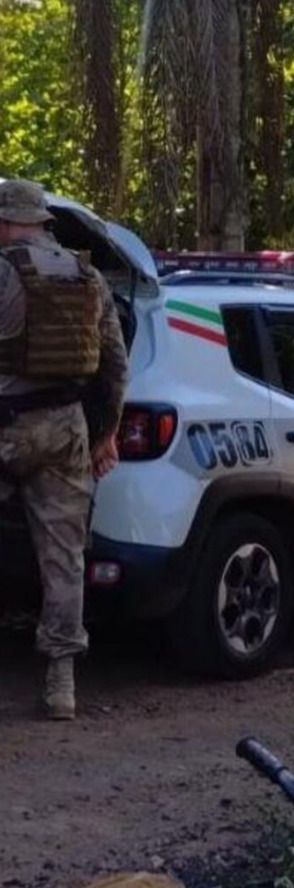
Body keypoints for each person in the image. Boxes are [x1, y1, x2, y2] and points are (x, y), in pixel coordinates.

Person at [0, 179, 128, 720]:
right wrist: (106, 433)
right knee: (64, 559)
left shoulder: (3, 270)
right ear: (42, 222)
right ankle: (60, 687)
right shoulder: (88, 275)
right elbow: (114, 367)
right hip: (65, 428)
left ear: (7, 222)